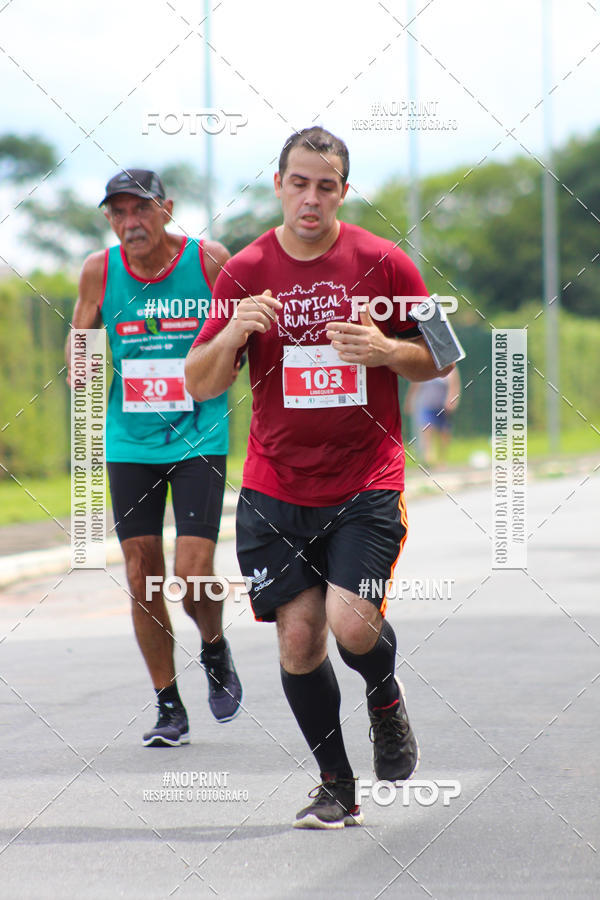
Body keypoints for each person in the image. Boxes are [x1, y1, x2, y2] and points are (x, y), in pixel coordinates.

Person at [185, 128, 454, 828]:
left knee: (350, 623)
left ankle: (384, 696)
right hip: (276, 489)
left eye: (326, 185)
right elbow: (199, 380)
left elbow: (443, 356)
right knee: (299, 640)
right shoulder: (243, 270)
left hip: (365, 480)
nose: (311, 197)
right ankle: (336, 784)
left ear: (343, 190)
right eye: (299, 183)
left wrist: (388, 349)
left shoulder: (385, 262)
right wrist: (232, 332)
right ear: (278, 184)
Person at [66, 168, 242, 747]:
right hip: (130, 441)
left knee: (193, 574)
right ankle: (169, 705)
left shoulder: (208, 259)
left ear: (166, 209)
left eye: (139, 210)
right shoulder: (100, 270)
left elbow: (243, 330)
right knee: (143, 576)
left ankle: (213, 646)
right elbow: (83, 339)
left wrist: (233, 356)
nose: (129, 223)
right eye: (117, 213)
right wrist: (81, 363)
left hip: (200, 433)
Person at [405, 368, 461, 466]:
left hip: (443, 406)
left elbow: (454, 386)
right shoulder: (425, 367)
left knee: (444, 432)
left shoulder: (450, 368)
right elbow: (415, 386)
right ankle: (428, 457)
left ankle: (442, 459)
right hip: (427, 405)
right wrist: (410, 401)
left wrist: (452, 401)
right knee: (426, 429)